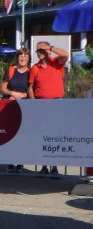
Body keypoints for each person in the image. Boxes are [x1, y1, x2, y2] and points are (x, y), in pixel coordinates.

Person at [28, 41, 69, 176]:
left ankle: (54, 167)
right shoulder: (35, 68)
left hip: (56, 103)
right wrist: (34, 103)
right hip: (41, 104)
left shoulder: (56, 62)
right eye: (38, 51)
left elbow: (66, 54)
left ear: (48, 51)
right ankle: (44, 166)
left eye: (42, 50)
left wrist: (50, 48)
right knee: (42, 136)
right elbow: (30, 87)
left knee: (55, 135)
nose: (39, 53)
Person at [0, 48, 30, 173]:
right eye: (20, 56)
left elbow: (32, 90)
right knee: (10, 134)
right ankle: (10, 162)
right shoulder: (11, 70)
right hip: (10, 106)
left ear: (28, 59)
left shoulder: (31, 72)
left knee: (22, 136)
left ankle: (20, 163)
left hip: (24, 107)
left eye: (25, 56)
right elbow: (3, 88)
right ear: (17, 58)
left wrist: (23, 95)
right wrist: (12, 93)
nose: (23, 58)